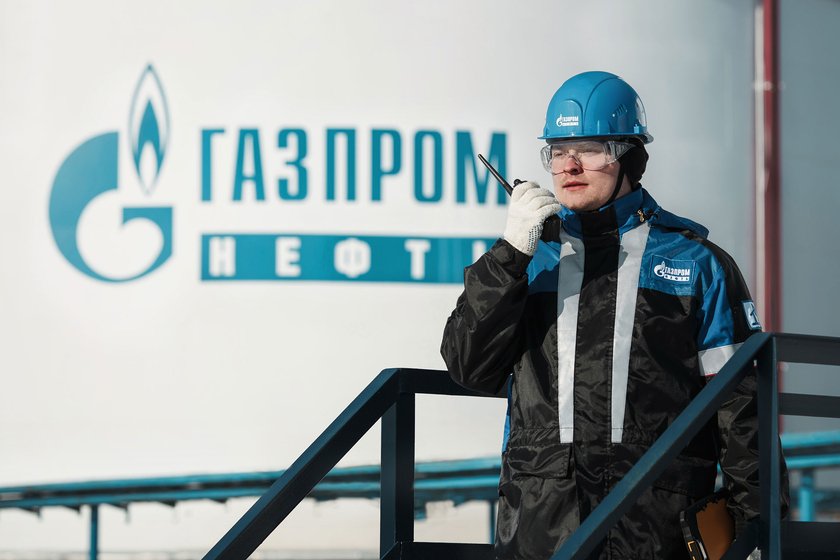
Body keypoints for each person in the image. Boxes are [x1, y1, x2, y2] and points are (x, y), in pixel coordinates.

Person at [440, 71, 789, 560]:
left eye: (590, 149)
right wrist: (509, 254)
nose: (570, 165)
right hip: (541, 533)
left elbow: (741, 410)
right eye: (557, 151)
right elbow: (467, 367)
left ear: (631, 158)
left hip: (653, 534)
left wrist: (758, 531)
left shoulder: (696, 264)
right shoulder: (528, 262)